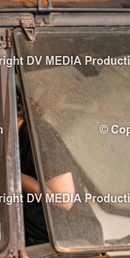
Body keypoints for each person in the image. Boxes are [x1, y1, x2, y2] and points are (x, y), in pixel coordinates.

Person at [18, 102, 103, 246]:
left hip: (70, 244)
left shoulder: (37, 133)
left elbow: (64, 199)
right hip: (38, 243)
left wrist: (13, 177)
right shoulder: (12, 144)